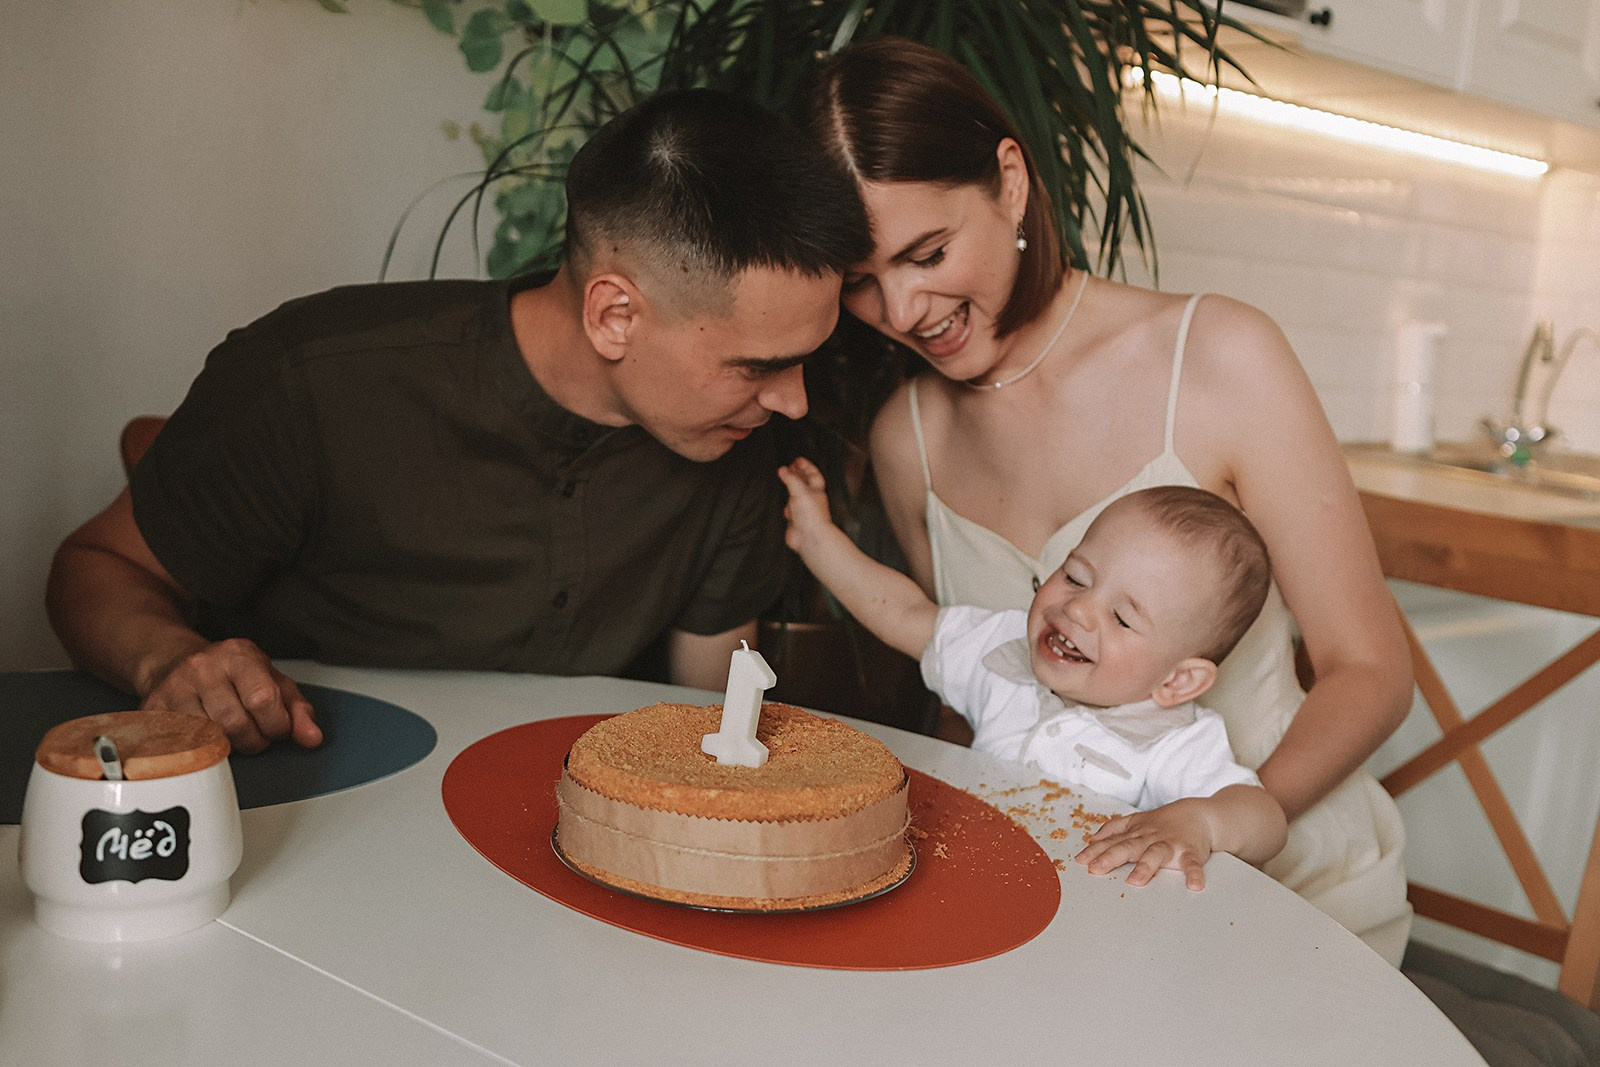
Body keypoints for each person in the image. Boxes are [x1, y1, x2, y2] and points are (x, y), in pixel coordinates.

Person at [803, 37, 1413, 963]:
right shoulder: (907, 437)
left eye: (928, 252)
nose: (902, 310)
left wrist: (1209, 823)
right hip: (1066, 917)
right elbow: (977, 699)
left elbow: (1370, 670)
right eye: (860, 281)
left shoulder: (1222, 357)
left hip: (1288, 894)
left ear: (1011, 183)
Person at [46, 88, 871, 756]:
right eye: (757, 365)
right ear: (614, 315)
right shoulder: (310, 381)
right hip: (301, 818)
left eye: (804, 361)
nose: (794, 402)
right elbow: (94, 567)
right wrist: (174, 657)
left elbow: (712, 721)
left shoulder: (735, 438)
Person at [782, 464, 1287, 889]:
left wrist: (1200, 820)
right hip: (970, 882)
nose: (1078, 609)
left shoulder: (1174, 739)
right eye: (1075, 577)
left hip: (1091, 920)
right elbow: (903, 613)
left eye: (1121, 618)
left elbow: (1264, 819)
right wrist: (817, 539)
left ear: (1178, 682)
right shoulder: (1003, 654)